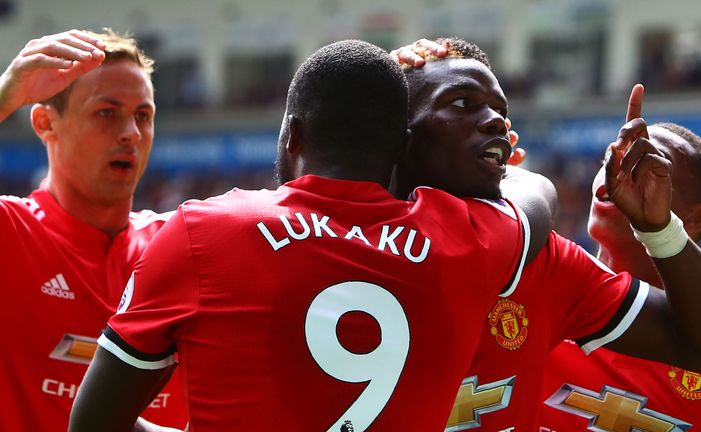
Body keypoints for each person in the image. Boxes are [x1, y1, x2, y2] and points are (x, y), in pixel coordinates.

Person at [69, 39, 533, 432]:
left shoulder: (201, 232)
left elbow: (93, 423)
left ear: (293, 134)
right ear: (402, 147)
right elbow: (535, 196)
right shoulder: (464, 237)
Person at [390, 37, 701, 432]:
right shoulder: (327, 232)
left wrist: (660, 231)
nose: (495, 120)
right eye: (462, 103)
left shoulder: (548, 265)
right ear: (394, 134)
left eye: (501, 112)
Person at [0, 29, 187, 430]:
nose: (131, 133)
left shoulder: (185, 246)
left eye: (143, 115)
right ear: (45, 122)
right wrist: (5, 94)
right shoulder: (9, 234)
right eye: (107, 112)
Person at [537, 122, 701, 431]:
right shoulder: (529, 300)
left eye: (646, 163)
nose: (618, 173)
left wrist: (660, 233)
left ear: (697, 217)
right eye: (614, 157)